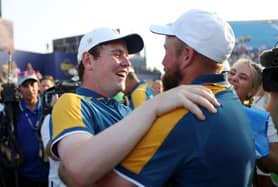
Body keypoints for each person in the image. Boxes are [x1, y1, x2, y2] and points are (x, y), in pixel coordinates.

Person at [97, 9, 256, 187]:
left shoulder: (184, 113)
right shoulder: (229, 97)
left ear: (187, 55)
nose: (163, 62)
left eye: (166, 51)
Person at [50, 27, 221, 187]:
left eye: (127, 57)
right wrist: (155, 104)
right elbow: (79, 168)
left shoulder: (125, 110)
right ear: (88, 61)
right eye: (117, 54)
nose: (127, 64)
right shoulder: (72, 102)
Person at [227, 58, 278, 187]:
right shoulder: (205, 101)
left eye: (243, 77)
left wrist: (256, 146)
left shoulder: (260, 118)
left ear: (251, 91)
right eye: (232, 72)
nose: (234, 78)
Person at [6, 72, 48, 187]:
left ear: (38, 86)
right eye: (25, 86)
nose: (30, 89)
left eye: (33, 84)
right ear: (19, 91)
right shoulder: (12, 111)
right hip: (24, 175)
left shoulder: (49, 107)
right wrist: (6, 150)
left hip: (50, 174)